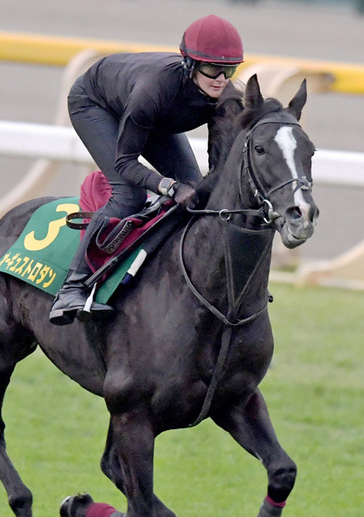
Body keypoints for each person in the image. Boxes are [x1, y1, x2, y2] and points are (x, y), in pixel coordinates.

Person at [49, 14, 245, 325]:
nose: (221, 79)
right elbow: (125, 163)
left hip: (155, 117)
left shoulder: (226, 95)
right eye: (211, 69)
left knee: (196, 197)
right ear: (190, 64)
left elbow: (218, 163)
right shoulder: (152, 91)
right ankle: (72, 288)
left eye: (229, 70)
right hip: (97, 103)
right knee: (129, 194)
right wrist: (168, 187)